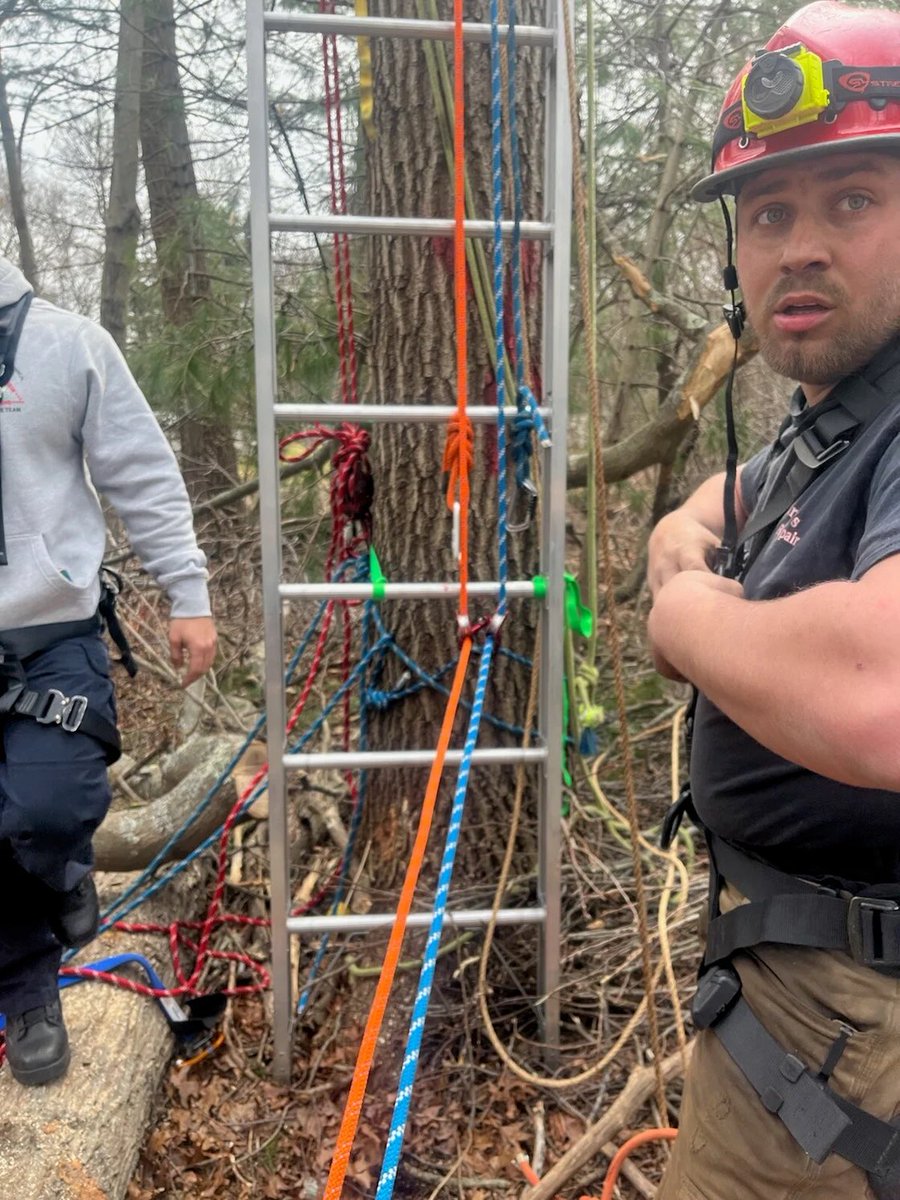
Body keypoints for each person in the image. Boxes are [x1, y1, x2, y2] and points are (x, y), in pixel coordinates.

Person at [646, 3, 900, 1197]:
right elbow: (738, 489)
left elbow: (880, 699)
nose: (798, 246)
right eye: (767, 214)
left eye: (852, 200)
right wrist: (679, 531)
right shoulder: (844, 399)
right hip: (791, 993)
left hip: (853, 1043)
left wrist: (684, 619)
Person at [0, 256, 217, 1087]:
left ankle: (62, 868)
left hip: (50, 632)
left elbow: (141, 470)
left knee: (50, 808)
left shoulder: (65, 345)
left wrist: (187, 590)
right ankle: (27, 993)